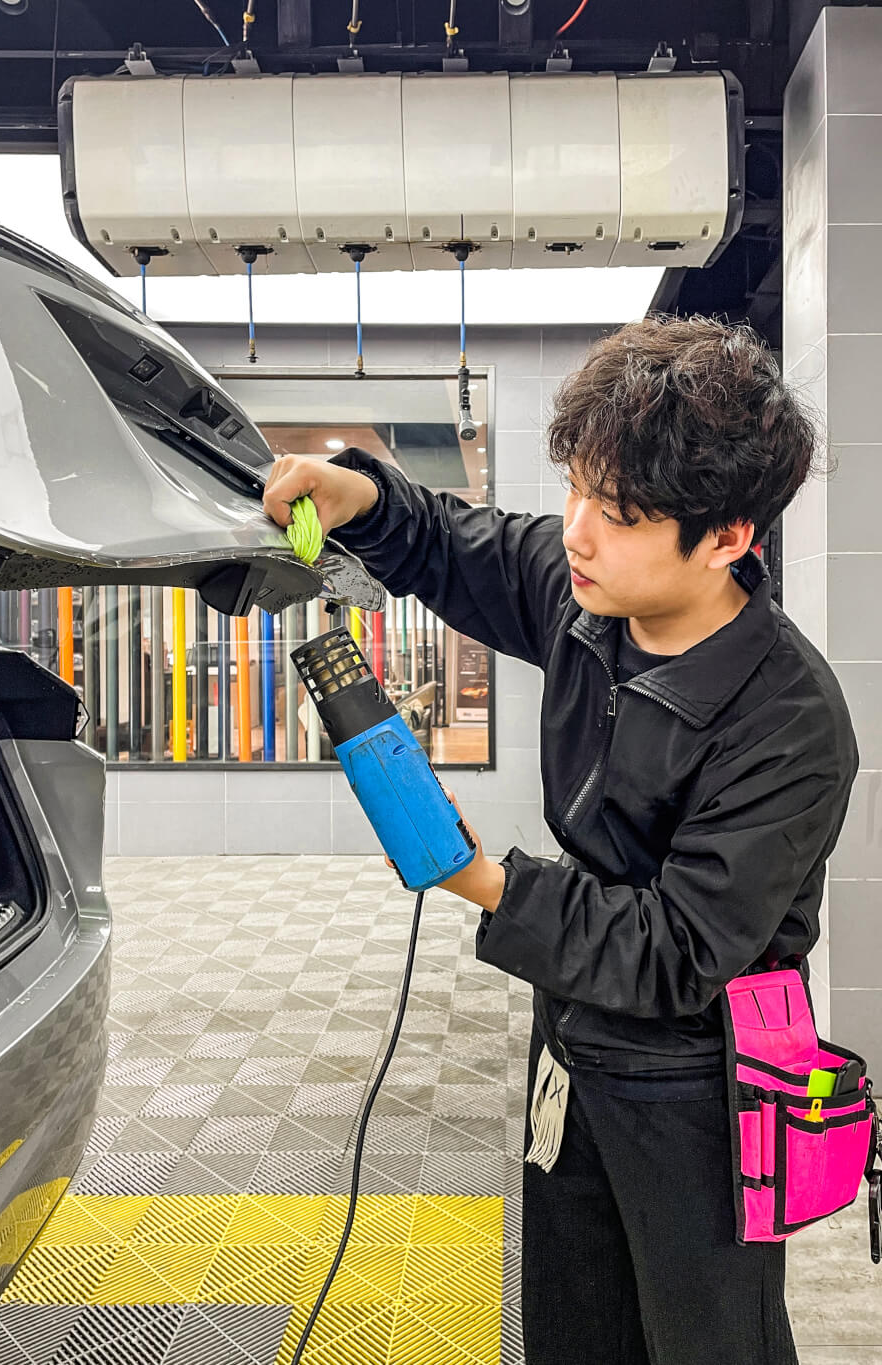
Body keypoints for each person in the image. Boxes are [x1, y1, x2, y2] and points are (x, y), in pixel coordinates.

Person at [262, 315, 858, 1365]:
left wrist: (486, 883)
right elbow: (451, 544)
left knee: (709, 1340)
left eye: (616, 514)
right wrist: (357, 493)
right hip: (573, 1039)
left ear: (728, 537)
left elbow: (678, 948)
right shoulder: (587, 596)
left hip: (700, 1079)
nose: (576, 532)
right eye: (576, 491)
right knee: (573, 1321)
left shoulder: (789, 723)